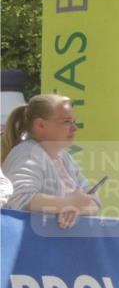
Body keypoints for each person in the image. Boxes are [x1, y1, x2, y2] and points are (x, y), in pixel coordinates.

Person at [1, 94, 101, 229]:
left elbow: (95, 203)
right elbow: (18, 198)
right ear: (40, 125)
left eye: (74, 122)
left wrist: (73, 209)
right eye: (67, 122)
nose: (74, 128)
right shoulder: (27, 153)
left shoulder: (65, 158)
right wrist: (67, 203)